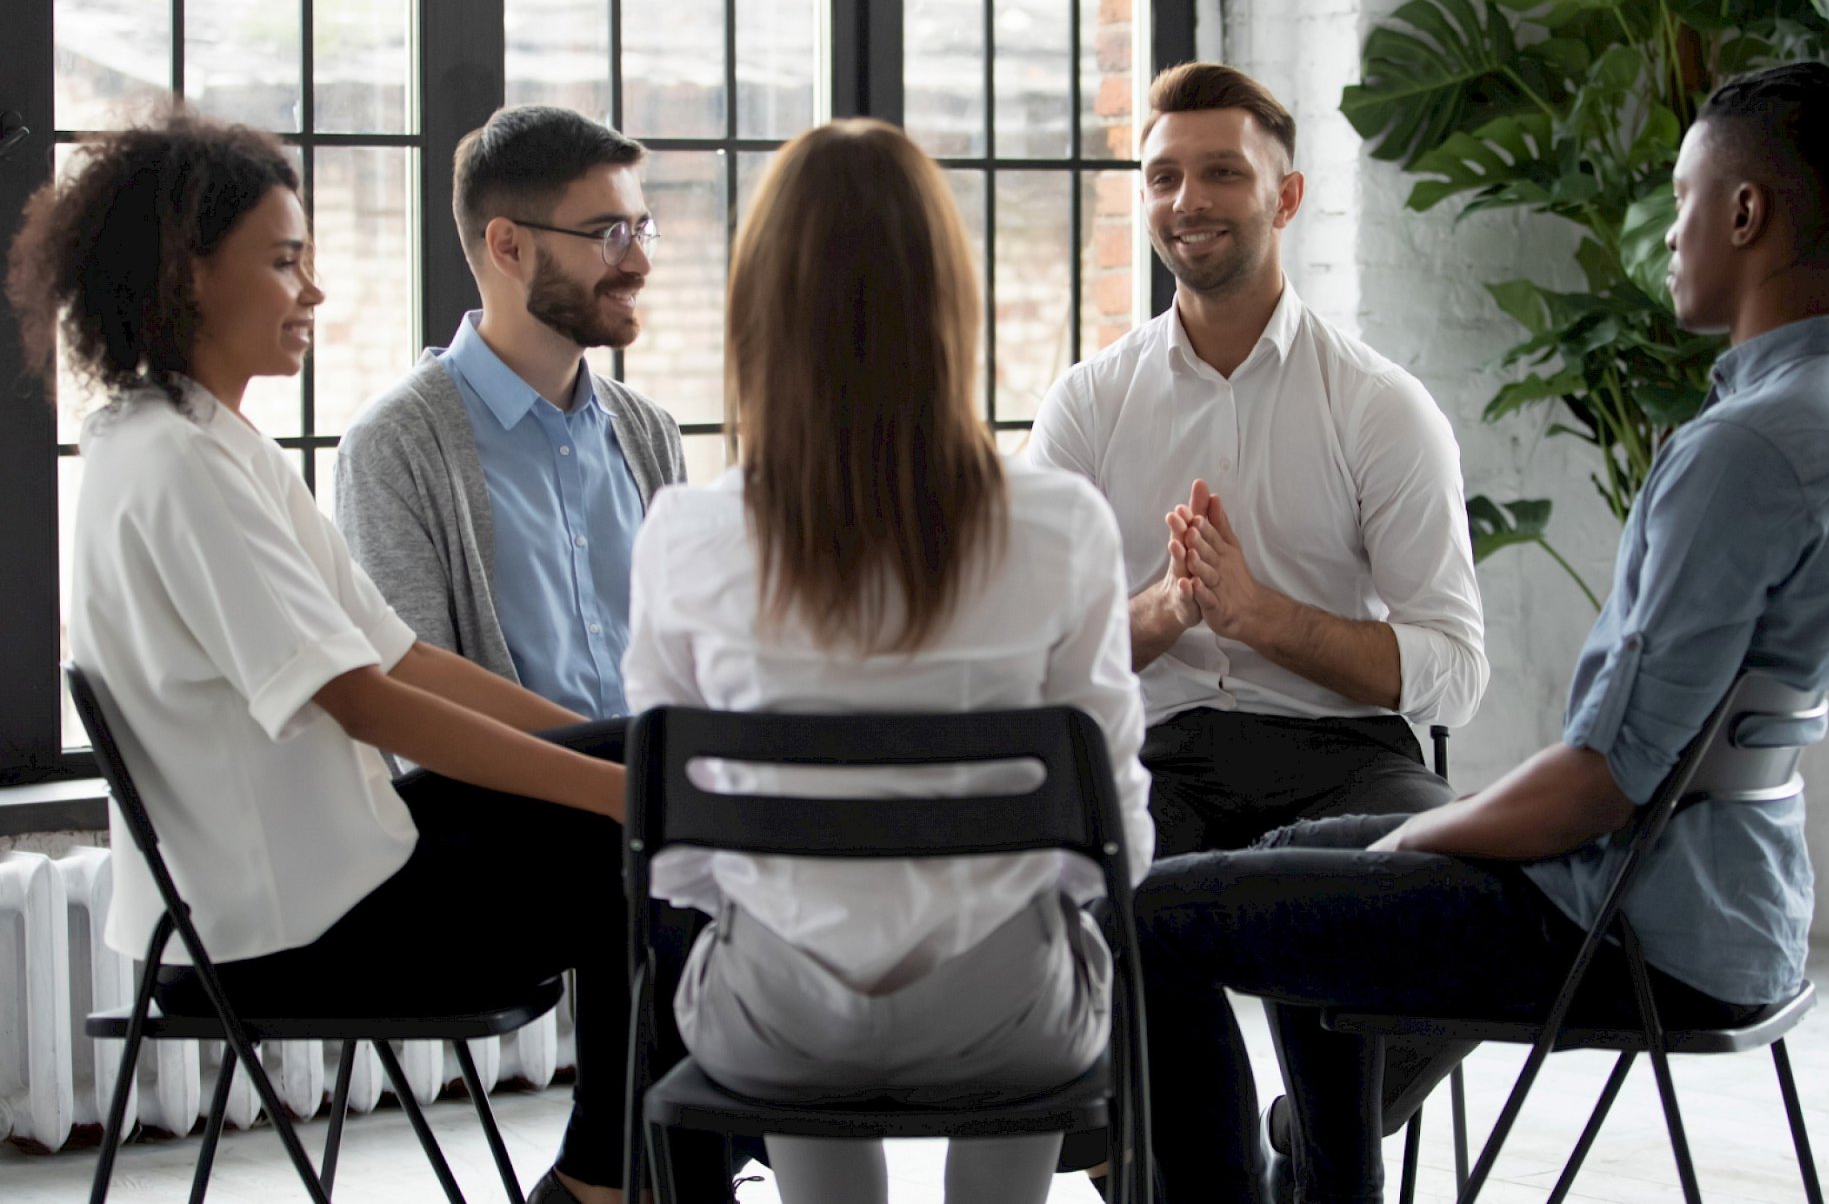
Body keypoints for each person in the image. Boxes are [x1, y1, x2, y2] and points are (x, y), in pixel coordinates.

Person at [1134, 60, 1829, 1203]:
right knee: (1287, 878)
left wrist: (1420, 840)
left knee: (1155, 914)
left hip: (1622, 926)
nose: (1667, 235)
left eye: (1679, 202)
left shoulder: (1743, 448)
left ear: (1744, 213)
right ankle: (1325, 1187)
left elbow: (1599, 783)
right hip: (1739, 914)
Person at [8, 110, 660, 1204]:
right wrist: (614, 789)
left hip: (339, 874)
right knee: (649, 849)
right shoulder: (176, 462)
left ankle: (632, 1173)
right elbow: (364, 700)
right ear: (186, 274)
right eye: (283, 261)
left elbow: (399, 655)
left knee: (672, 766)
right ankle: (611, 1182)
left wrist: (629, 759)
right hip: (300, 925)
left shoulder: (202, 436)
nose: (311, 291)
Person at [621, 118, 1156, 1204]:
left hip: (776, 1021)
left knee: (784, 951)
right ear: (947, 307)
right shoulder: (1062, 526)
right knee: (1033, 952)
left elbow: (675, 863)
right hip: (1008, 1020)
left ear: (758, 313)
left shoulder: (684, 531)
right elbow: (1116, 848)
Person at [1028, 61, 1489, 1174]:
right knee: (1101, 895)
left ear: (1283, 197)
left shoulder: (1377, 406)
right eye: (1161, 176)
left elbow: (1453, 666)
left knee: (1467, 901)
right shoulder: (1089, 403)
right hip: (1159, 753)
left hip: (1342, 759)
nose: (1187, 199)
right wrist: (1169, 609)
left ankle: (1319, 1144)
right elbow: (1036, 655)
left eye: (1221, 173)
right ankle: (1203, 1173)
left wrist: (1262, 617)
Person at [336, 105, 684, 719]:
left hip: (664, 807)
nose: (639, 263)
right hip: (504, 815)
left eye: (641, 230)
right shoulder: (394, 445)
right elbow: (414, 719)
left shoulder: (651, 434)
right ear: (508, 246)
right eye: (610, 235)